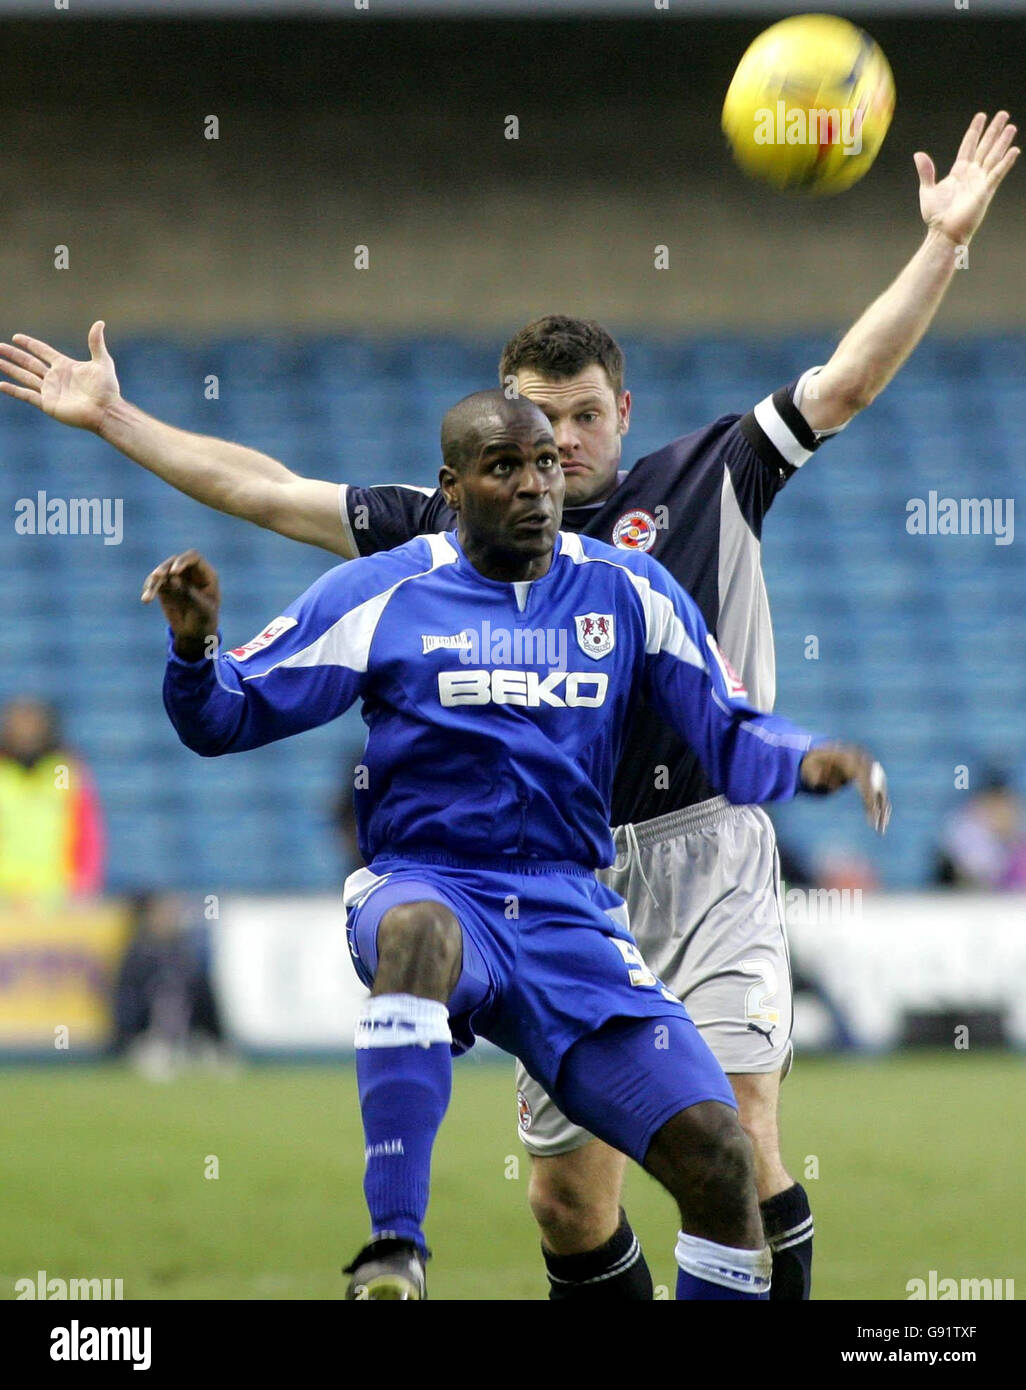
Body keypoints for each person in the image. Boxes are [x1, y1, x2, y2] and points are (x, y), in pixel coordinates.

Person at [0, 109, 1015, 1300]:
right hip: (551, 877)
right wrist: (117, 418)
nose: (565, 444)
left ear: (623, 417)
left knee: (737, 1141)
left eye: (587, 417)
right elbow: (269, 490)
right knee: (565, 1200)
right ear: (504, 422)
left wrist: (944, 243)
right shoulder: (446, 535)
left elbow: (845, 380)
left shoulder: (705, 479)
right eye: (542, 419)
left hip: (705, 850)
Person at [148, 389, 888, 1300]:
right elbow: (229, 714)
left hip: (571, 910)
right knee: (418, 935)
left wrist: (810, 759)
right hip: (430, 882)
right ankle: (394, 1251)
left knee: (720, 1159)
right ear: (451, 488)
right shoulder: (390, 589)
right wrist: (194, 649)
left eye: (544, 464)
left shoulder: (625, 587)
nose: (537, 486)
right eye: (505, 468)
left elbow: (729, 727)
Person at [0, 696, 105, 907]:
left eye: (33, 725)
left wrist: (84, 884)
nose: (26, 733)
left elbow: (84, 829)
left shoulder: (61, 769)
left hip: (56, 895)